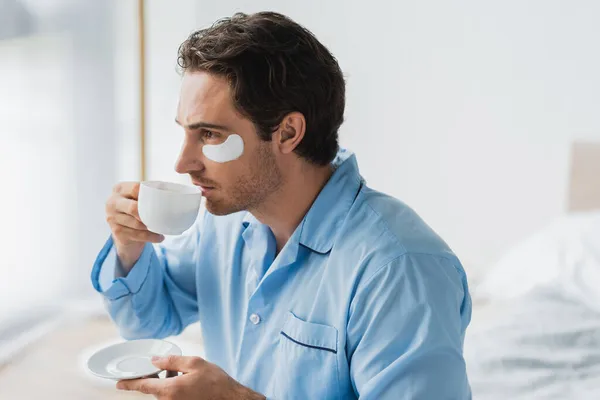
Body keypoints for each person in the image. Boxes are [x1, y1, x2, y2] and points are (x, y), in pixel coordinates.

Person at [92, 11, 472, 400]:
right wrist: (130, 245)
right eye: (186, 133)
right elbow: (150, 318)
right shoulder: (226, 220)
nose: (182, 163)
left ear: (288, 132)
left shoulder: (401, 270)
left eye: (209, 134)